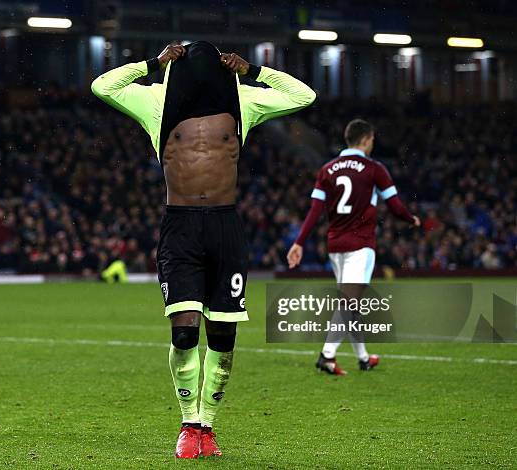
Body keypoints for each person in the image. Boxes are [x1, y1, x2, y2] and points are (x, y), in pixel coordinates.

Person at [92, 41, 315, 458]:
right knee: (184, 332)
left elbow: (303, 95)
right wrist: (152, 63)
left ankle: (208, 428)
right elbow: (102, 86)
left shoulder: (241, 98)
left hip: (224, 227)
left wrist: (254, 71)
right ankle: (188, 424)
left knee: (224, 338)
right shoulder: (156, 98)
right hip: (180, 228)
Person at [287, 119, 420, 375]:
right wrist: (411, 219)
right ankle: (326, 356)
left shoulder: (328, 169)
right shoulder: (374, 168)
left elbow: (315, 210)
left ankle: (363, 357)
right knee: (349, 304)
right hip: (360, 244)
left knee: (349, 304)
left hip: (335, 245)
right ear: (367, 140)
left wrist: (299, 242)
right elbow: (394, 206)